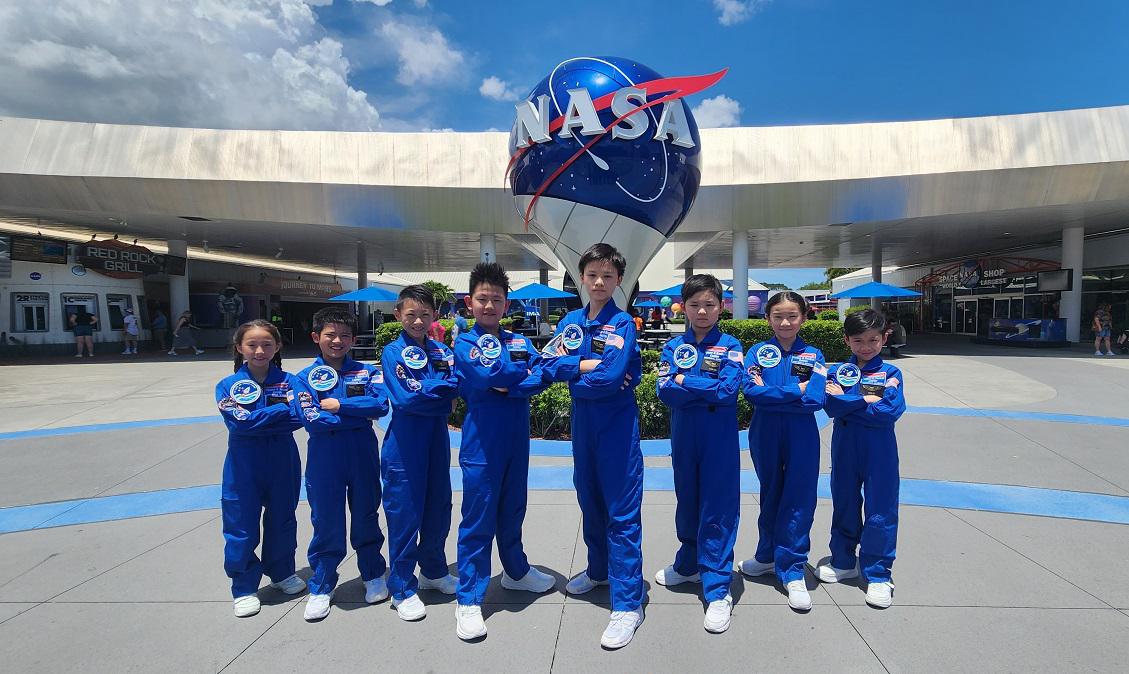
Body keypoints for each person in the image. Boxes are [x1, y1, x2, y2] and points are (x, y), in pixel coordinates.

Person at [542, 243, 644, 649]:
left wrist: (577, 374)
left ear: (619, 280)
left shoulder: (623, 324)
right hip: (584, 430)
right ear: (581, 278)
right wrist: (584, 366)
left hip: (617, 430)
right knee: (591, 503)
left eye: (607, 276)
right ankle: (598, 569)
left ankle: (628, 604)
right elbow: (546, 366)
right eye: (592, 275)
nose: (599, 282)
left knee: (621, 513)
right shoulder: (571, 321)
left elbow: (611, 377)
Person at [451, 263, 555, 640]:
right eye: (483, 299)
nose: (490, 305)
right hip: (483, 442)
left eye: (497, 299)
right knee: (478, 517)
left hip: (516, 439)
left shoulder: (517, 341)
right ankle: (469, 599)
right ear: (469, 303)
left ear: (508, 304)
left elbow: (542, 373)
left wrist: (510, 383)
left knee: (513, 509)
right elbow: (486, 377)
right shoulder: (465, 342)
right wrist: (516, 376)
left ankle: (515, 572)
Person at [654, 274, 744, 633]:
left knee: (718, 506)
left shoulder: (732, 345)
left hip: (718, 437)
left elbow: (727, 392)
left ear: (721, 307)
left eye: (709, 304)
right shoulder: (673, 347)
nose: (702, 311)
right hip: (685, 434)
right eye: (695, 305)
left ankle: (718, 587)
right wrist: (696, 386)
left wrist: (684, 381)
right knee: (687, 500)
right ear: (684, 307)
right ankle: (689, 564)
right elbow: (664, 391)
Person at [291, 307, 390, 621]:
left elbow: (379, 405)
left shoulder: (366, 372)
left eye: (345, 335)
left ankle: (373, 573)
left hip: (361, 452)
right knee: (326, 519)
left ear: (353, 339)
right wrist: (355, 413)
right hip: (325, 456)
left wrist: (339, 405)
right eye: (330, 335)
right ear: (316, 337)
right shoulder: (304, 378)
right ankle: (321, 583)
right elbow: (312, 420)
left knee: (366, 514)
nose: (337, 340)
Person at [738, 291, 828, 612]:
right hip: (765, 432)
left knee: (799, 496)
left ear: (803, 317)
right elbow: (752, 393)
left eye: (792, 316)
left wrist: (774, 392)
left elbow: (816, 399)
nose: (785, 322)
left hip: (802, 433)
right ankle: (767, 555)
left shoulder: (815, 355)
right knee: (771, 492)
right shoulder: (757, 353)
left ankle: (792, 568)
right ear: (768, 319)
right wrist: (796, 390)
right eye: (778, 316)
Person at [380, 285, 461, 622]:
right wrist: (439, 394)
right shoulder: (392, 352)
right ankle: (401, 586)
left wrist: (428, 390)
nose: (418, 320)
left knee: (438, 507)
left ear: (435, 316)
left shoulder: (442, 351)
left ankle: (433, 571)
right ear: (398, 315)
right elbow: (404, 399)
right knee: (405, 514)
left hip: (436, 439)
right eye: (410, 314)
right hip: (404, 443)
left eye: (424, 314)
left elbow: (457, 390)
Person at [215, 320, 306, 617]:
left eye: (267, 344)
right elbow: (238, 423)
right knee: (241, 526)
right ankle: (243, 586)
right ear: (239, 348)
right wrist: (279, 411)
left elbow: (300, 418)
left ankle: (281, 573)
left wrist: (261, 417)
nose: (259, 350)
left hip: (283, 460)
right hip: (243, 465)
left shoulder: (290, 381)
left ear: (277, 347)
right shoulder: (227, 386)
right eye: (252, 344)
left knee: (283, 519)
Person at [819, 309, 907, 608]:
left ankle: (878, 574)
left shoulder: (891, 374)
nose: (866, 346)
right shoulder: (838, 372)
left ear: (885, 338)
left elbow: (888, 413)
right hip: (845, 445)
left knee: (880, 508)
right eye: (858, 340)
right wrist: (865, 399)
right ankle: (843, 561)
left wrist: (848, 401)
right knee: (844, 501)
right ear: (846, 340)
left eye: (873, 339)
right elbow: (830, 406)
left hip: (879, 448)